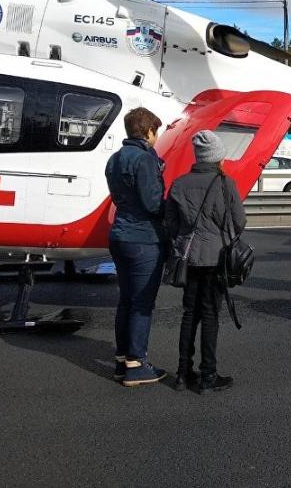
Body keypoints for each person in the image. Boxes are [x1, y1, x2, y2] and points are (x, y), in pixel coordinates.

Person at [164, 130, 246, 393]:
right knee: (210, 314)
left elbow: (171, 224)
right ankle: (208, 373)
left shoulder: (179, 184)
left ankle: (182, 372)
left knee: (190, 314)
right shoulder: (225, 183)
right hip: (216, 258)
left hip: (188, 258)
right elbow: (239, 221)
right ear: (217, 157)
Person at [105, 107, 168, 387]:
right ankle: (137, 363)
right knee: (142, 304)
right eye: (157, 131)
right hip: (143, 238)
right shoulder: (144, 160)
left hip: (119, 234)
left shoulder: (114, 159)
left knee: (126, 300)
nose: (157, 137)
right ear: (149, 131)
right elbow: (153, 203)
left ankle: (122, 359)